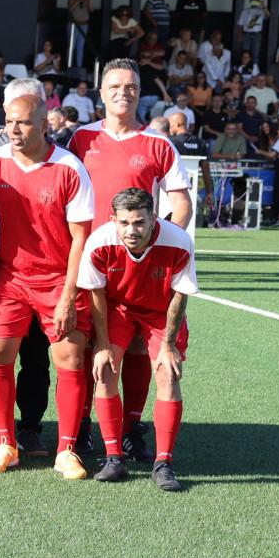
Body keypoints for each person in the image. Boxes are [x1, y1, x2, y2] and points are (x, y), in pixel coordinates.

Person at [66, 57, 193, 459]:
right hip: (91, 265)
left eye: (132, 87)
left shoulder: (158, 144)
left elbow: (181, 204)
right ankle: (86, 428)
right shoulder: (79, 139)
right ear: (101, 92)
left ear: (140, 93)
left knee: (139, 348)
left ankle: (132, 428)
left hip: (137, 268)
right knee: (90, 348)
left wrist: (157, 244)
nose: (124, 93)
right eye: (116, 86)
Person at [0, 93, 95, 478]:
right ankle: (6, 444)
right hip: (9, 277)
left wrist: (69, 296)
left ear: (44, 125)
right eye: (9, 122)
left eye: (22, 122)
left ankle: (67, 450)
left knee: (69, 360)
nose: (14, 130)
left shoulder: (70, 168)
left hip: (58, 278)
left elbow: (80, 238)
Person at [79, 188, 196, 491]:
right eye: (124, 223)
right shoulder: (99, 242)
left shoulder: (179, 241)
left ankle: (164, 463)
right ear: (113, 220)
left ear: (154, 218)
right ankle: (113, 457)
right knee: (104, 370)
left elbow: (179, 295)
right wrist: (103, 345)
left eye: (140, 223)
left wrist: (168, 345)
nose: (132, 231)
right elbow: (96, 295)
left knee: (168, 374)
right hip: (117, 308)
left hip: (160, 311)